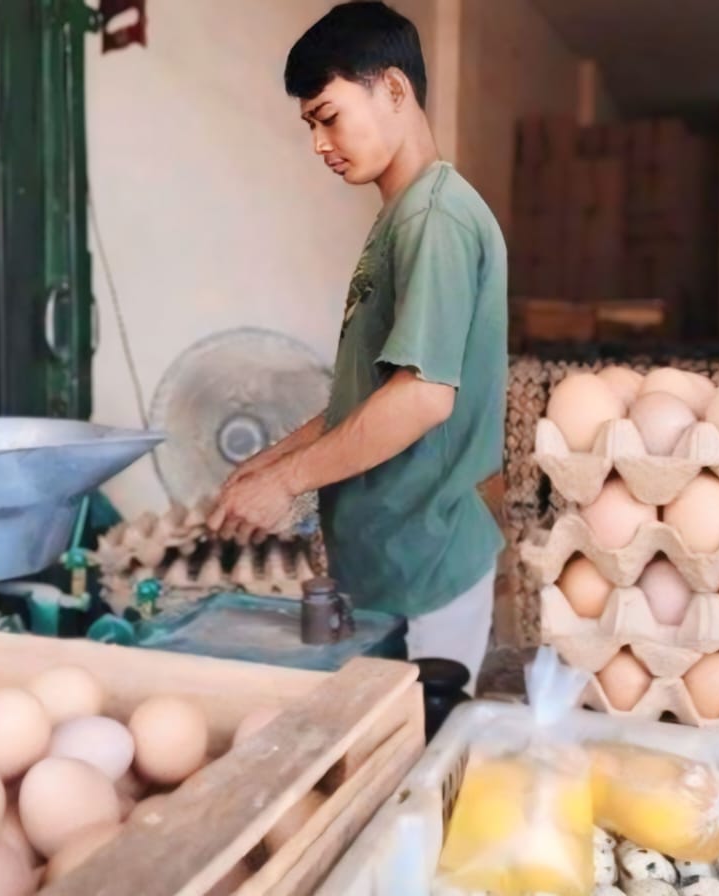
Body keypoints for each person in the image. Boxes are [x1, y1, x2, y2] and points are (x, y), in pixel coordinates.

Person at [207, 1, 508, 689]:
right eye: (311, 125)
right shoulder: (402, 219)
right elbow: (367, 400)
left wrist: (288, 482)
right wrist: (266, 466)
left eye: (329, 115)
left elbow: (423, 399)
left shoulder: (437, 218)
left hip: (423, 567)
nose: (319, 143)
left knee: (408, 771)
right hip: (385, 561)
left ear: (394, 90)